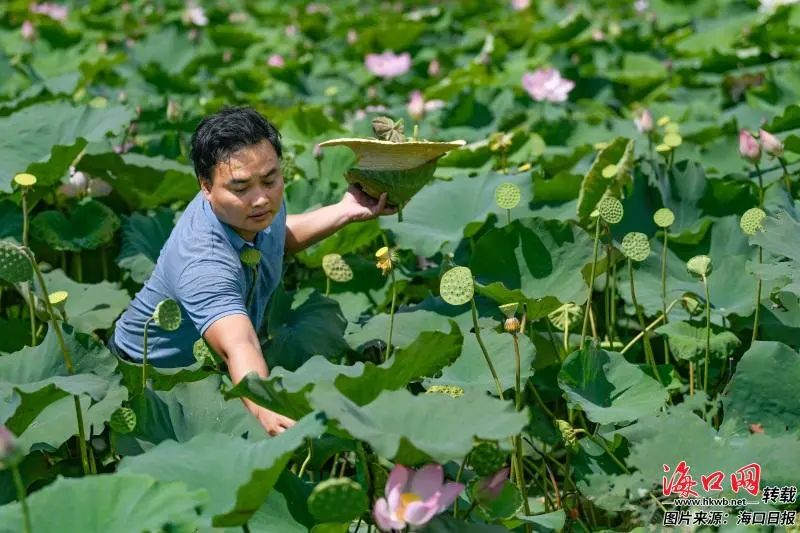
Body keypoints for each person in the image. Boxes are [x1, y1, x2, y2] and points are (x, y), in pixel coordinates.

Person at [109, 106, 395, 435]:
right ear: (205, 185)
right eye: (241, 188)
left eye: (270, 179)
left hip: (207, 365)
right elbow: (240, 345)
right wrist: (267, 409)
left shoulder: (255, 211)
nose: (261, 199)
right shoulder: (202, 260)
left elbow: (279, 236)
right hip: (150, 379)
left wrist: (345, 210)